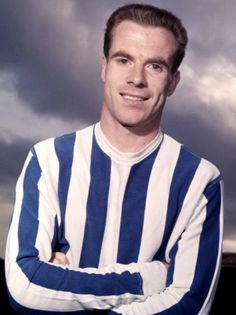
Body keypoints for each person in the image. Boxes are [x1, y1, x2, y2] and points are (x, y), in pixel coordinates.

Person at [5, 3, 224, 315]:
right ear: (104, 67)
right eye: (124, 60)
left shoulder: (200, 180)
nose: (136, 78)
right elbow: (25, 287)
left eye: (155, 66)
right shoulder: (48, 160)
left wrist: (62, 290)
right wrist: (149, 278)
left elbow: (189, 304)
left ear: (173, 81)